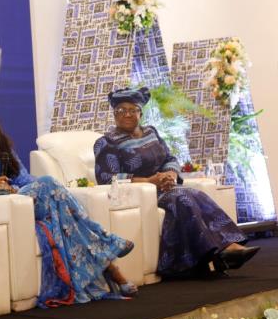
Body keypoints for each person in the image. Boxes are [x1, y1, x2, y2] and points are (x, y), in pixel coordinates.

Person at [0, 90, 137, 308]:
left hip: (17, 199)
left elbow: (24, 178)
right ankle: (108, 253)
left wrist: (12, 187)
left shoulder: (0, 142)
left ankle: (109, 264)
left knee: (52, 195)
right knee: (49, 183)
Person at [94, 87, 260, 278]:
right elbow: (107, 177)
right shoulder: (106, 143)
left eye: (133, 110)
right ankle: (218, 253)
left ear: (141, 112)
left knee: (196, 194)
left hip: (166, 186)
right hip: (139, 194)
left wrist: (170, 175)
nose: (127, 115)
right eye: (121, 111)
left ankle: (226, 248)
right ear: (114, 114)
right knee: (182, 198)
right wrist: (149, 181)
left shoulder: (151, 132)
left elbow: (170, 158)